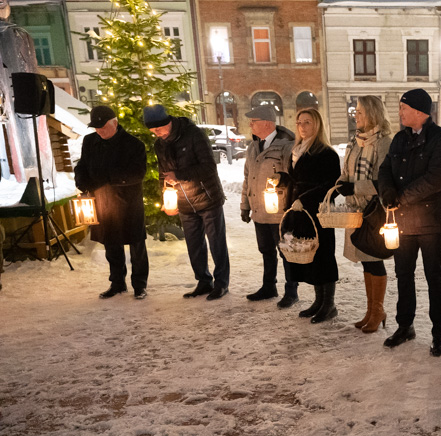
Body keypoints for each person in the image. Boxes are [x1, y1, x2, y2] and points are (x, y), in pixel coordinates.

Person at [378, 89, 441, 356]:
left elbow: (437, 179)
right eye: (400, 107)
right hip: (402, 223)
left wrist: (400, 197)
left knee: (434, 277)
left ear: (421, 112)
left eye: (404, 108)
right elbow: (385, 169)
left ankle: (439, 332)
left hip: (430, 223)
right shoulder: (399, 139)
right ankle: (405, 325)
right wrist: (386, 191)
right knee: (403, 275)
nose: (399, 112)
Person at [145, 104, 230, 300]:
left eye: (158, 129)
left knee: (217, 242)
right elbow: (163, 175)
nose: (157, 134)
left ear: (169, 122)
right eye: (153, 131)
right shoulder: (160, 144)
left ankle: (221, 283)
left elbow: (208, 167)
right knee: (194, 245)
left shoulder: (193, 135)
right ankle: (203, 281)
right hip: (183, 201)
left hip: (207, 197)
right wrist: (165, 198)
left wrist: (180, 175)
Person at [74, 105, 149, 299]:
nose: (99, 131)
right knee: (111, 245)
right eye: (96, 128)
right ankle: (117, 283)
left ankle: (139, 285)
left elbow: (137, 173)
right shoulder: (90, 142)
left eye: (103, 127)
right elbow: (82, 165)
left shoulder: (134, 144)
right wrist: (82, 182)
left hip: (128, 204)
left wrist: (109, 179)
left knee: (136, 245)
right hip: (102, 202)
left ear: (114, 123)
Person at [333, 96, 393, 333]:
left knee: (374, 258)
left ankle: (378, 310)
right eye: (354, 111)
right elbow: (347, 171)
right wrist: (340, 184)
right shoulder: (355, 142)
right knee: (365, 261)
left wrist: (354, 188)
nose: (355, 115)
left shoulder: (383, 143)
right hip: (355, 210)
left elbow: (382, 181)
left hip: (373, 212)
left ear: (373, 114)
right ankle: (372, 310)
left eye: (359, 111)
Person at [283, 108, 341, 323]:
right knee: (311, 253)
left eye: (307, 122)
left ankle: (329, 304)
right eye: (299, 122)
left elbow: (330, 185)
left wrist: (305, 199)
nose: (302, 126)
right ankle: (318, 301)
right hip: (299, 211)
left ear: (317, 124)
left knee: (324, 254)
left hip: (318, 212)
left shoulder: (326, 153)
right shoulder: (297, 149)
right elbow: (295, 179)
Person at [239, 104, 298, 308]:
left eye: (253, 121)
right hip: (259, 210)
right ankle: (269, 286)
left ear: (267, 123)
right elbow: (247, 178)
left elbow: (293, 177)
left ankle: (291, 291)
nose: (250, 124)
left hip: (278, 211)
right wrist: (245, 205)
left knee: (286, 251)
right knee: (266, 250)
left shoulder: (287, 146)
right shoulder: (253, 146)